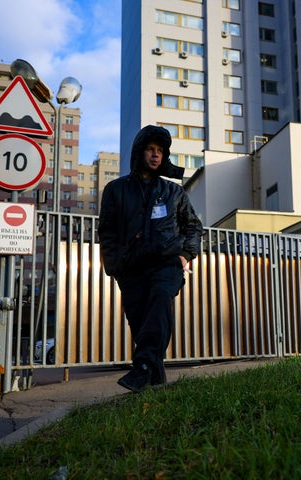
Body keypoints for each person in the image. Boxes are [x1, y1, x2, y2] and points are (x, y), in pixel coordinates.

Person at [98, 125, 203, 393]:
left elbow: (193, 227)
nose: (156, 155)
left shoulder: (174, 192)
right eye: (150, 149)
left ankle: (142, 366)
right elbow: (107, 231)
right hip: (131, 269)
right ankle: (155, 386)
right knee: (143, 325)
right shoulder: (116, 190)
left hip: (167, 264)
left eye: (160, 151)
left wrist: (184, 256)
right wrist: (114, 266)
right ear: (139, 152)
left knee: (159, 298)